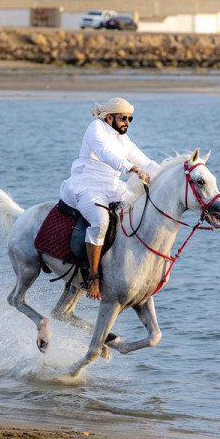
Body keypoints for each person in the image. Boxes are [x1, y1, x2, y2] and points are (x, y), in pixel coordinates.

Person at [59, 97, 160, 300]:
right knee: (100, 221)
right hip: (86, 186)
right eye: (124, 118)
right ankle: (93, 277)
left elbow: (146, 162)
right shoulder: (95, 128)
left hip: (113, 187)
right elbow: (104, 153)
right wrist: (129, 168)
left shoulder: (122, 139)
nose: (127, 123)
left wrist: (167, 175)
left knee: (140, 208)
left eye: (130, 119)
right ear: (109, 118)